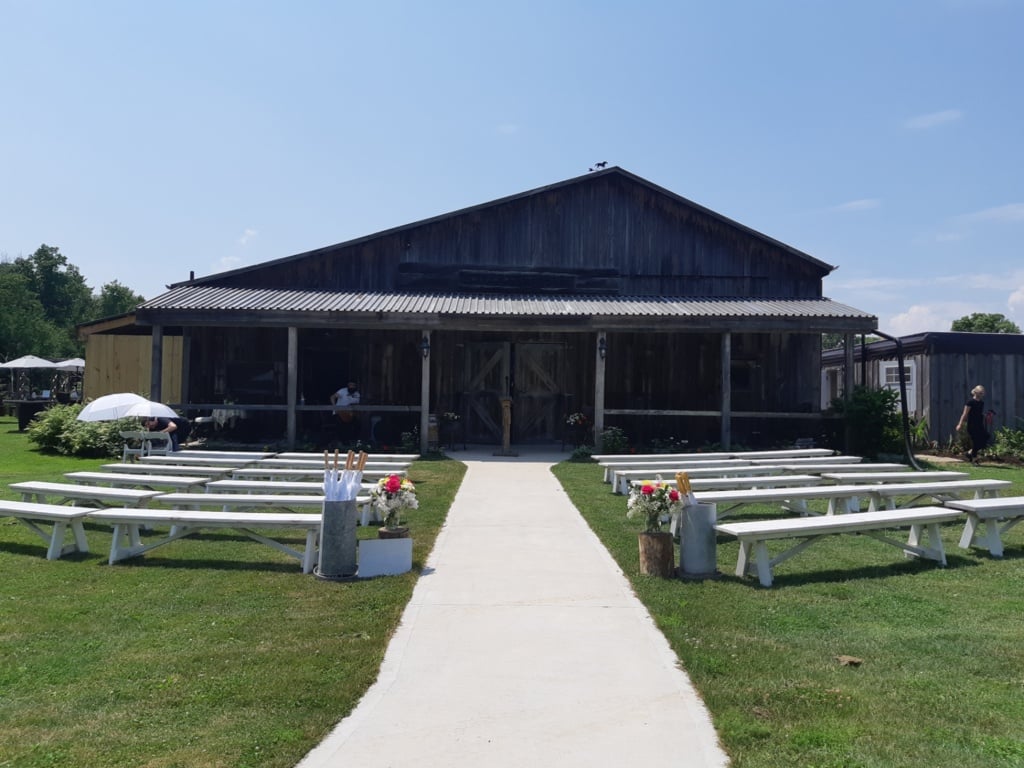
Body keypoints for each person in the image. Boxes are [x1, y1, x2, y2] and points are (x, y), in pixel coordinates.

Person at [956, 385, 988, 463]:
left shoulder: (981, 403)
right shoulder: (970, 402)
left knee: (985, 438)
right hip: (972, 425)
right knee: (976, 441)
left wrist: (985, 416)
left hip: (979, 424)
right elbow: (964, 414)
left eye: (983, 393)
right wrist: (960, 424)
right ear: (976, 392)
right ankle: (974, 459)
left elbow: (978, 413)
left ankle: (970, 453)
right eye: (981, 393)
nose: (982, 394)